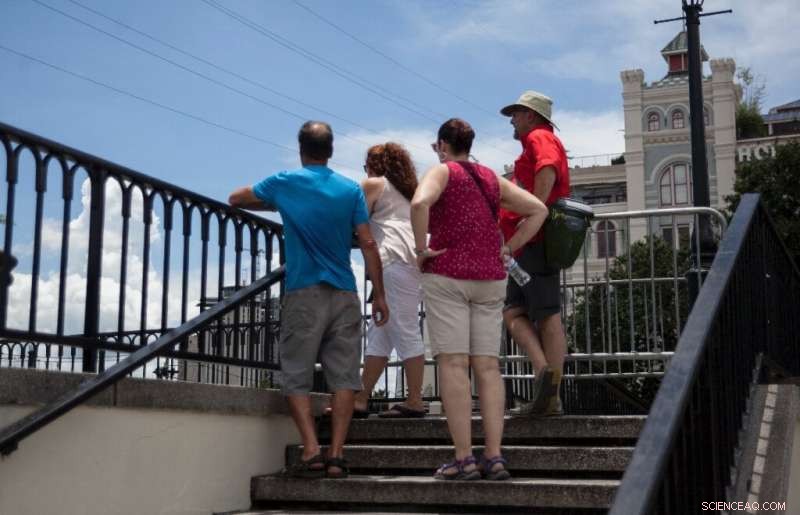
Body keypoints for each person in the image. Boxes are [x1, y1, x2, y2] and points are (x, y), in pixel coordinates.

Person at [228, 121, 389, 479]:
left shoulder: (285, 182)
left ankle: (312, 449)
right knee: (345, 378)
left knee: (296, 373)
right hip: (345, 292)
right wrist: (379, 294)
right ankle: (337, 455)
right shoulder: (350, 189)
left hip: (304, 291)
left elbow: (236, 198)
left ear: (301, 149)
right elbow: (367, 242)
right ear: (330, 151)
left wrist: (280, 204)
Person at [411, 118, 548, 481]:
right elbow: (539, 210)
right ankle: (494, 455)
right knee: (488, 366)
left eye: (437, 147)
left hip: (448, 275)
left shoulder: (443, 172)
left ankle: (463, 459)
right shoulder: (491, 178)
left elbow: (420, 202)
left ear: (443, 145)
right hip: (490, 279)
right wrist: (509, 248)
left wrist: (421, 250)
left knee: (454, 364)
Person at [498, 91, 571, 417]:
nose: (512, 121)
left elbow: (548, 168)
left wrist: (533, 212)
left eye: (515, 114)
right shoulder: (537, 140)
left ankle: (550, 394)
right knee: (514, 312)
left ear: (530, 115)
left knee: (546, 314)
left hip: (534, 240)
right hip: (525, 243)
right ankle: (546, 381)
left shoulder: (539, 137)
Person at [355, 143, 426, 418]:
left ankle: (415, 400)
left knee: (404, 328)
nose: (366, 171)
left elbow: (354, 220)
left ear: (375, 165)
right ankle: (361, 398)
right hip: (409, 262)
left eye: (367, 165)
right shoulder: (408, 192)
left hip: (392, 261)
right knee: (381, 332)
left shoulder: (375, 185)